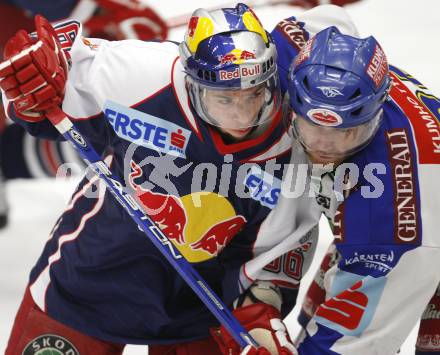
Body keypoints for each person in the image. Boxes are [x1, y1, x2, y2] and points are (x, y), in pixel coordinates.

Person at [0, 3, 360, 354]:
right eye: (223, 99)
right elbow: (48, 81)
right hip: (85, 286)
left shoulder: (297, 149)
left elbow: (273, 265)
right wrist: (30, 85)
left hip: (197, 316)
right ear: (191, 81)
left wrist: (261, 323)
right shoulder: (144, 74)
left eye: (253, 94)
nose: (242, 113)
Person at [252, 25, 440, 354]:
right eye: (312, 127)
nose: (324, 146)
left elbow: (355, 342)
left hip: (419, 229)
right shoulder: (289, 61)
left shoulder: (392, 212)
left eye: (344, 134)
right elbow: (325, 19)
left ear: (374, 117)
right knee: (315, 313)